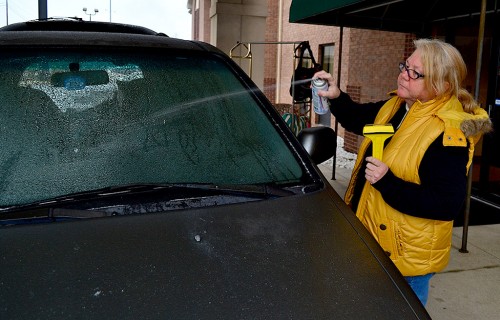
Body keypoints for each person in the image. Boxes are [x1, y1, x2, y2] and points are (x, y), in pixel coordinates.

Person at [314, 38, 492, 306]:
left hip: (404, 259)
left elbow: (445, 205)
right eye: (405, 66)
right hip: (374, 243)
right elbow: (358, 118)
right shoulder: (398, 106)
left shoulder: (447, 132)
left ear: (442, 85)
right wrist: (337, 97)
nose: (403, 75)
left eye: (415, 73)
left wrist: (387, 182)